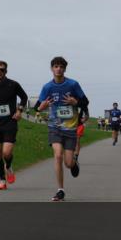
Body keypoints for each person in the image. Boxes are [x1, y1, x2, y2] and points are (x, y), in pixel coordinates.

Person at [36, 56, 89, 201]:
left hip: (70, 128)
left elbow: (85, 102)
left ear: (65, 69)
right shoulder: (47, 87)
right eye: (56, 66)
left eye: (61, 66)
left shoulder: (73, 84)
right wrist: (42, 107)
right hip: (55, 127)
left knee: (68, 163)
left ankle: (74, 162)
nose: (58, 69)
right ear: (52, 69)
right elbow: (38, 107)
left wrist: (75, 102)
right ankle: (60, 190)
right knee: (57, 155)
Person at [0, 60, 28, 189]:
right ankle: (2, 181)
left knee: (7, 152)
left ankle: (8, 166)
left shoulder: (13, 85)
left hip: (10, 122)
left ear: (6, 71)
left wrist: (19, 111)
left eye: (2, 70)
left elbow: (24, 97)